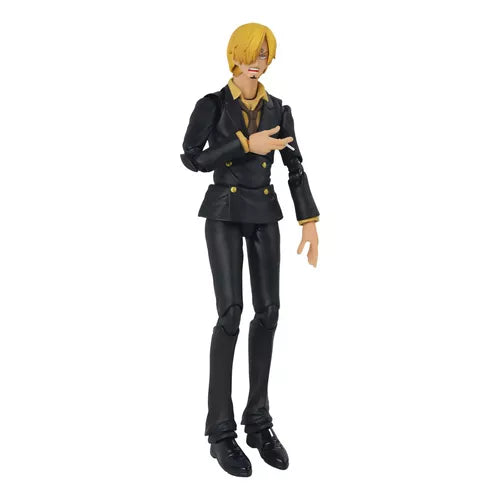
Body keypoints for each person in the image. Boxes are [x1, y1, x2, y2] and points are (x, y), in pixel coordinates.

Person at [180, 22, 320, 477]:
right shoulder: (212, 104)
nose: (256, 63)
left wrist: (309, 221)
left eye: (263, 54)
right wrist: (244, 144)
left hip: (264, 213)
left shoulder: (279, 108)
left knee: (270, 312)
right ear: (234, 56)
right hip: (224, 212)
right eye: (249, 54)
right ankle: (220, 431)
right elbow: (192, 158)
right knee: (230, 315)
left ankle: (258, 421)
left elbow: (294, 165)